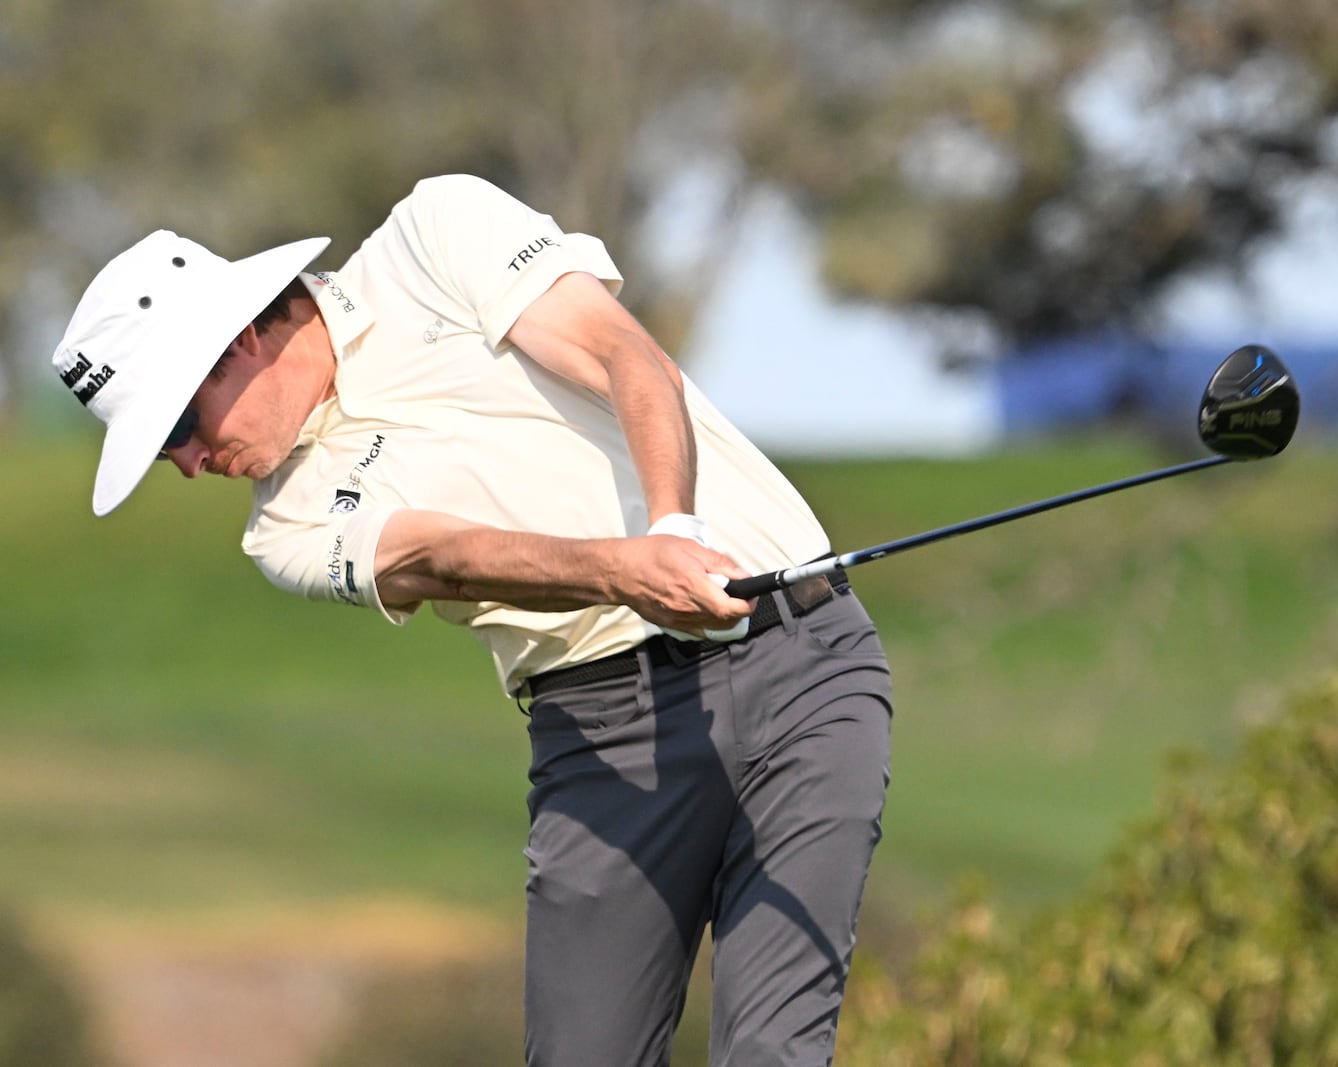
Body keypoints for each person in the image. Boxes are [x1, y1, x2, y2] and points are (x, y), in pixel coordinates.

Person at [52, 174, 895, 1066]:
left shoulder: (434, 232)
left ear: (244, 335)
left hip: (800, 661)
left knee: (774, 1051)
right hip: (602, 736)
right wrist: (626, 572)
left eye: (180, 424)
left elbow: (620, 353)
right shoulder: (284, 528)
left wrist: (672, 527)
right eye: (162, 453)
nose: (187, 464)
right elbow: (445, 555)